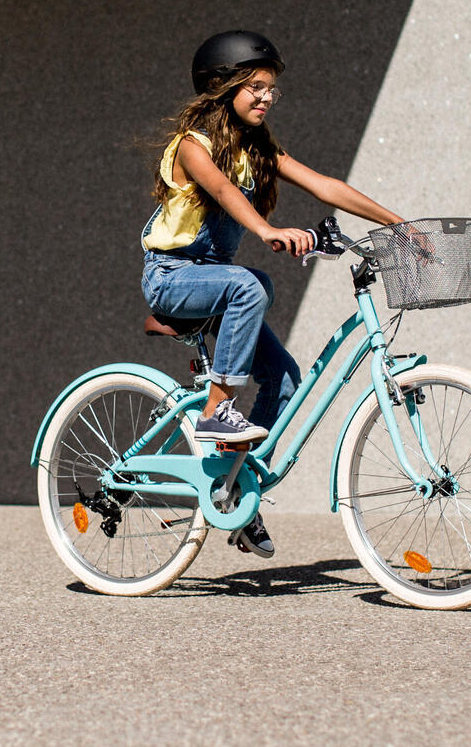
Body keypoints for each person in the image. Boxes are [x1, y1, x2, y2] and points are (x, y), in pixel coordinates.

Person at [141, 30, 408, 558]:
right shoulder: (195, 146)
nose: (266, 97)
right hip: (171, 276)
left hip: (213, 280)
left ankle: (233, 488)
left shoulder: (256, 147)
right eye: (255, 86)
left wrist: (398, 223)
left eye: (271, 89)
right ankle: (218, 411)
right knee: (248, 283)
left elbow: (325, 184)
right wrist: (266, 232)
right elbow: (218, 190)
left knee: (284, 377)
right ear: (223, 88)